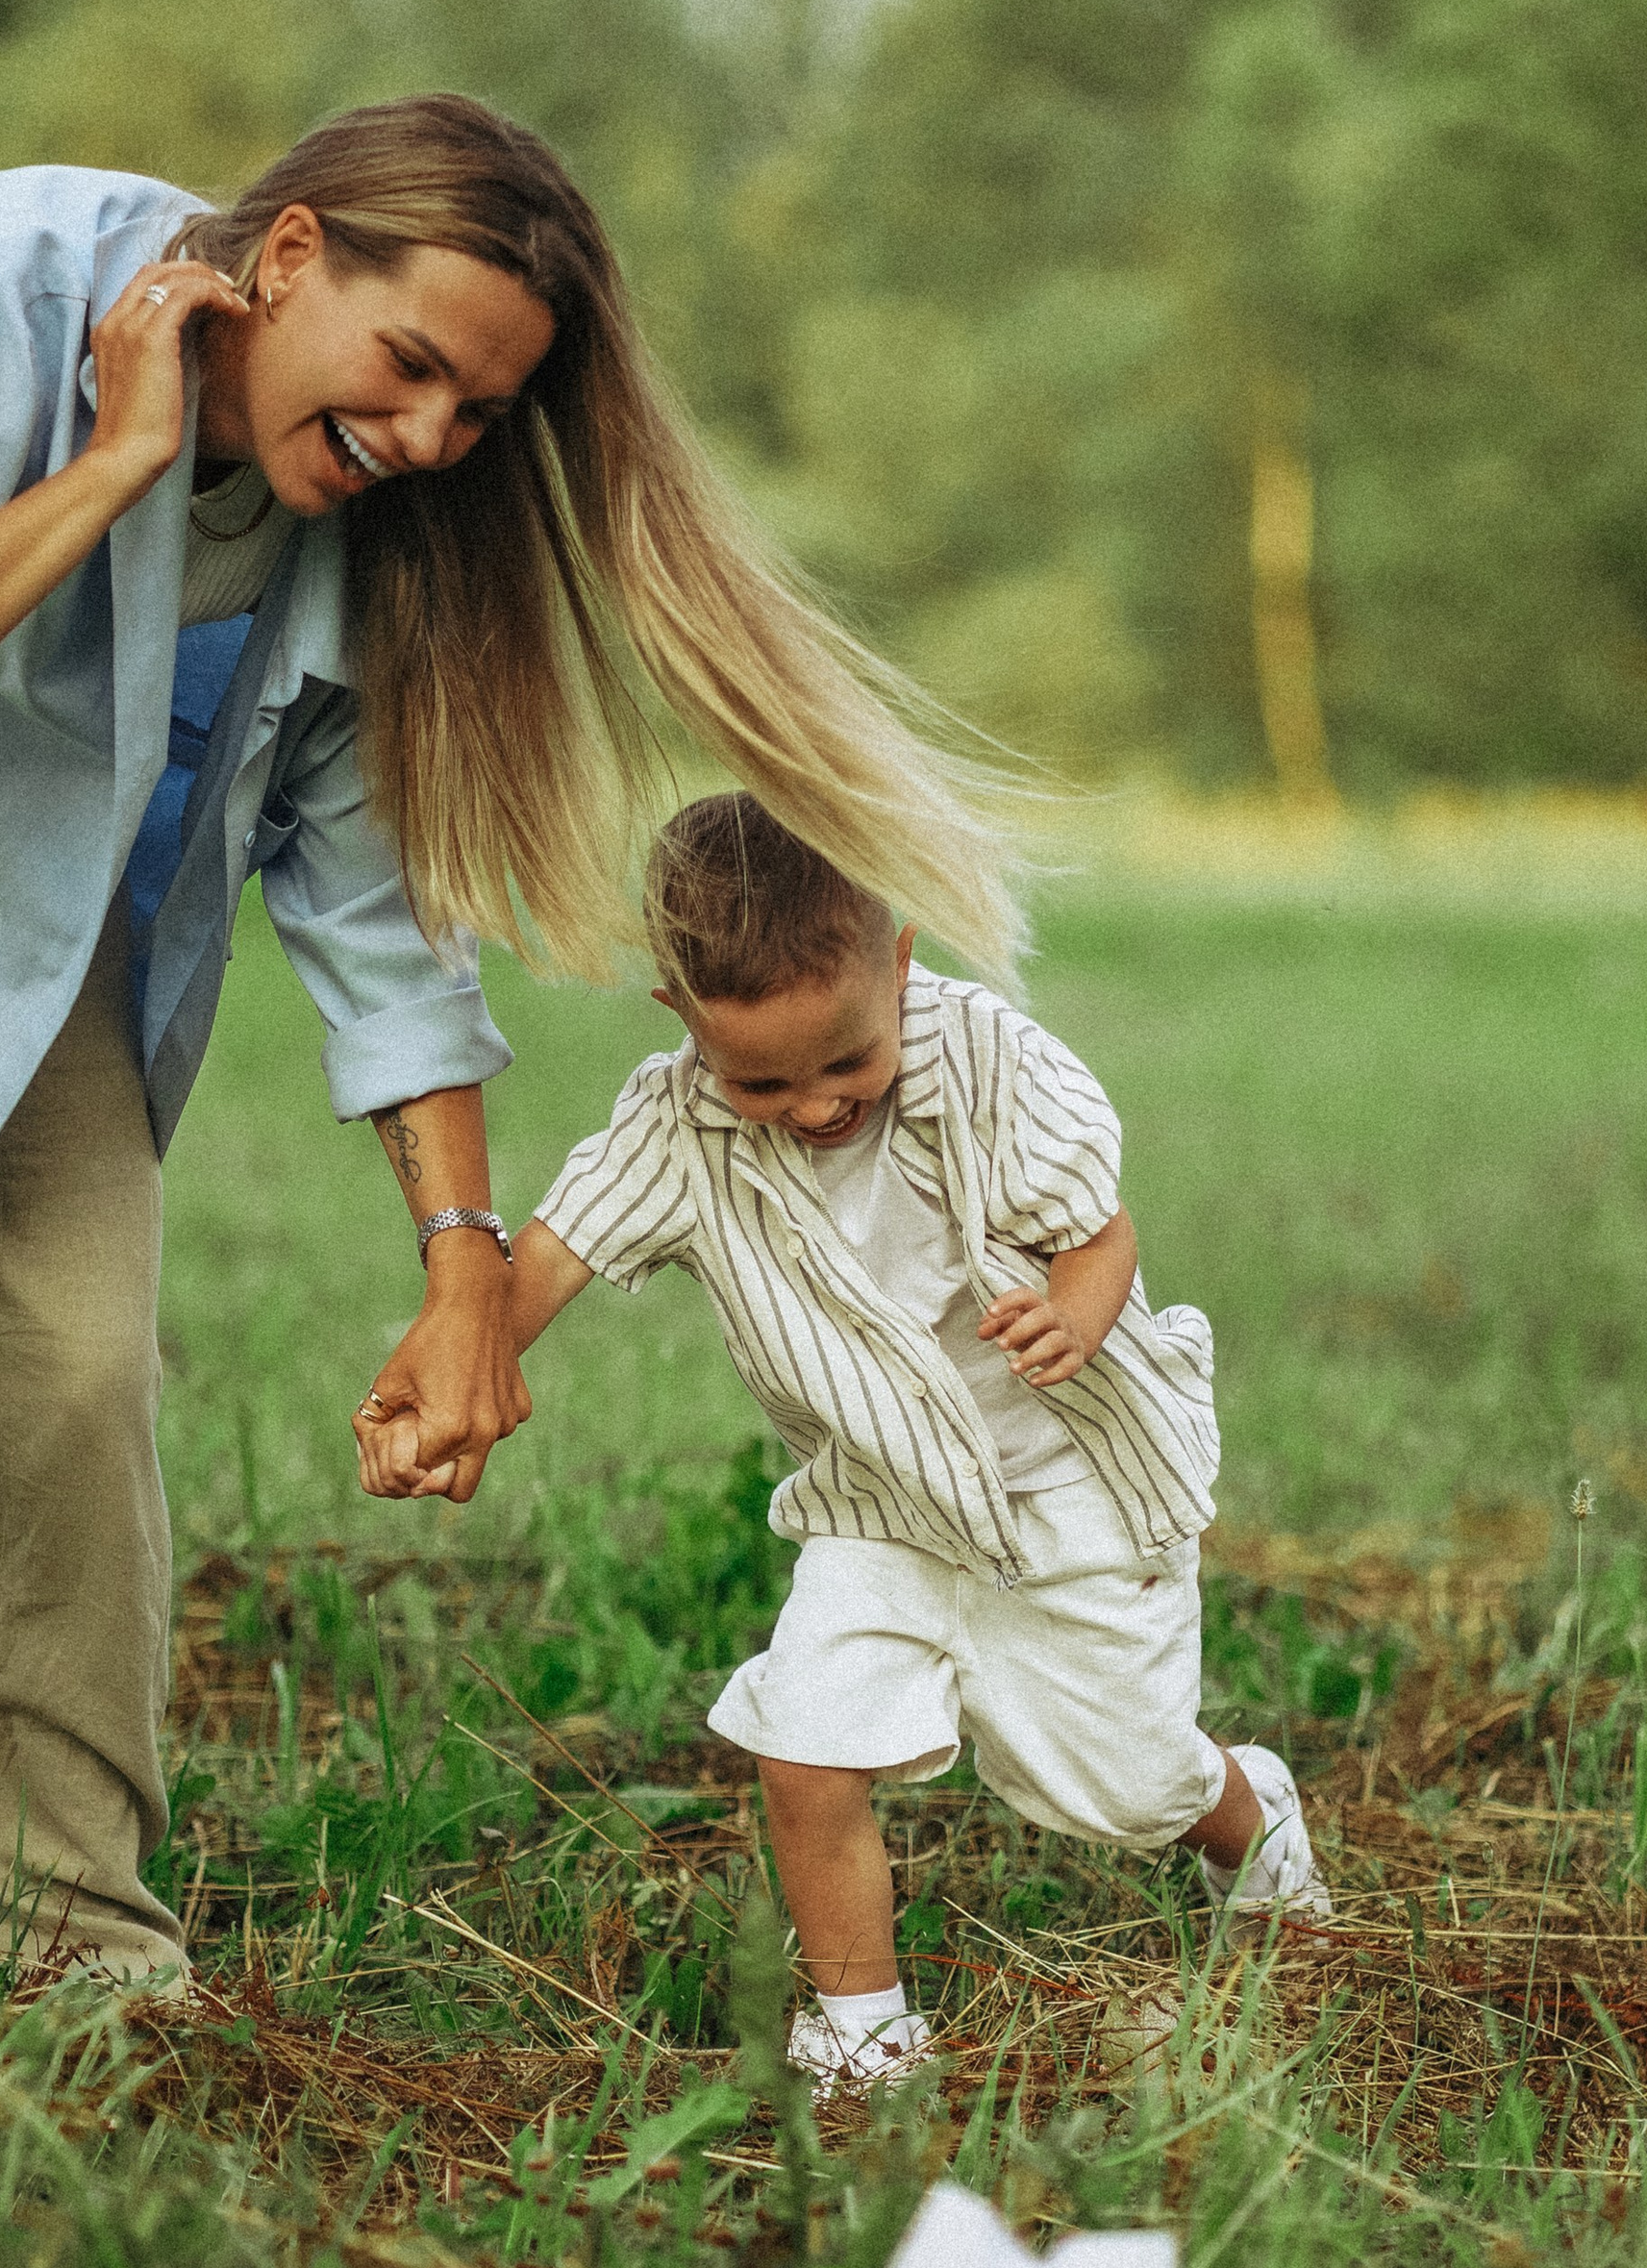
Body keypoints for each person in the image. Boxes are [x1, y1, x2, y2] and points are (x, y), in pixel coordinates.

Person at [0, 99, 1016, 2019]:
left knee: (60, 1388)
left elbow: (375, 905)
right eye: (408, 371)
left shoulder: (360, 531)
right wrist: (116, 464)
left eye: (476, 417)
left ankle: (59, 1957)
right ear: (294, 253)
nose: (424, 441)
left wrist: (463, 1264)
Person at [359, 793, 1332, 2088]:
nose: (814, 1106)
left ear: (902, 962)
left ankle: (1243, 1809)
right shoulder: (676, 1127)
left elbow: (1102, 1231)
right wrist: (451, 1382)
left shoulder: (994, 1064)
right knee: (805, 1745)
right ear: (682, 1019)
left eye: (846, 1065)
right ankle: (866, 2031)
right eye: (762, 1078)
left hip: (1070, 1483)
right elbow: (545, 1260)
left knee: (1126, 1788)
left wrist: (1075, 1317)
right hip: (878, 1505)